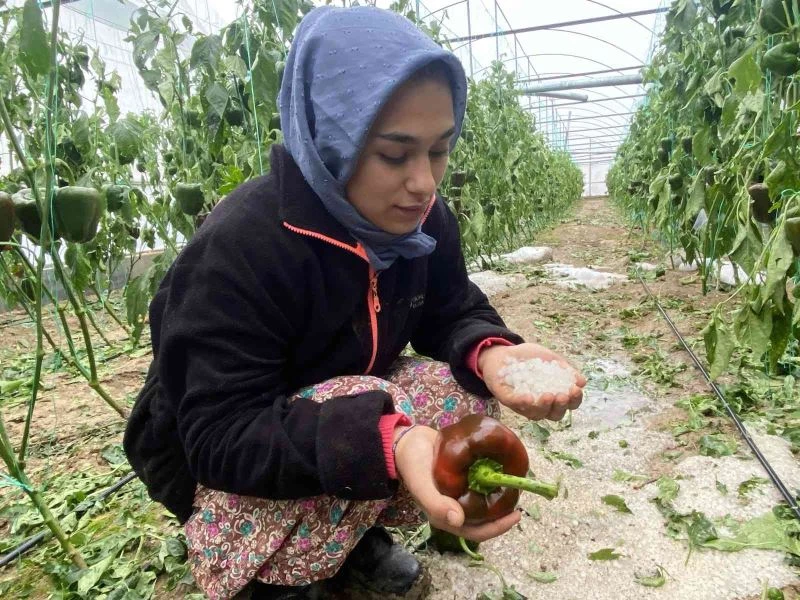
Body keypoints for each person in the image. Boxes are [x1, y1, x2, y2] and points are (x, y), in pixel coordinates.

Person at [123, 5, 586, 600]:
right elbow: (220, 432)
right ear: (331, 139)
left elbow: (449, 307)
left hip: (324, 412)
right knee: (373, 409)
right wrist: (388, 441)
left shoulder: (422, 219)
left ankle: (352, 539)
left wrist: (494, 354)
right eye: (394, 154)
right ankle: (272, 577)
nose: (424, 182)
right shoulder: (243, 245)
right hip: (218, 461)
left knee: (459, 394)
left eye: (439, 149)